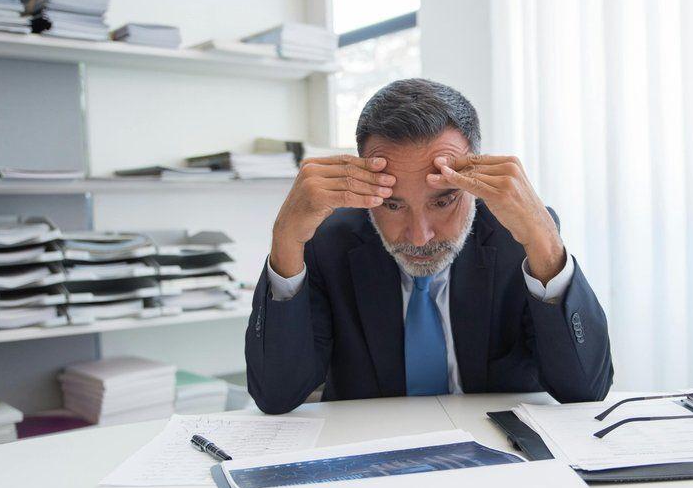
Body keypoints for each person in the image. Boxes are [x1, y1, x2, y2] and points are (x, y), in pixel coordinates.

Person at [246, 78, 612, 414]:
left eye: (443, 201)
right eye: (392, 204)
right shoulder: (328, 240)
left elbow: (584, 390)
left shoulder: (519, 235)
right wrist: (285, 242)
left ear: (475, 177)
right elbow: (276, 395)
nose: (419, 236)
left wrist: (545, 243)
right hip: (369, 455)